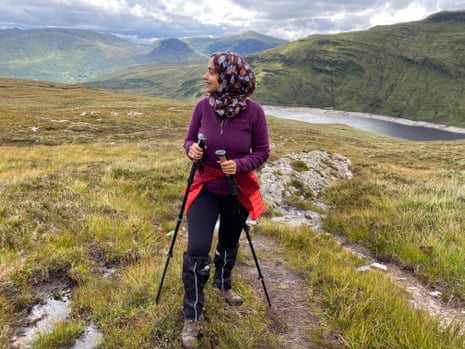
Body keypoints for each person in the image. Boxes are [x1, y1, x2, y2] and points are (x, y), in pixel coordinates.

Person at [181, 51, 270, 348]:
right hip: (206, 187)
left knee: (230, 242)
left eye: (210, 72)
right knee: (196, 249)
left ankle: (222, 283)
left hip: (236, 190)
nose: (205, 76)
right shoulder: (201, 108)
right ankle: (192, 315)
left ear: (229, 77)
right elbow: (188, 140)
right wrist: (192, 150)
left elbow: (262, 151)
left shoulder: (254, 113)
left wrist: (240, 165)